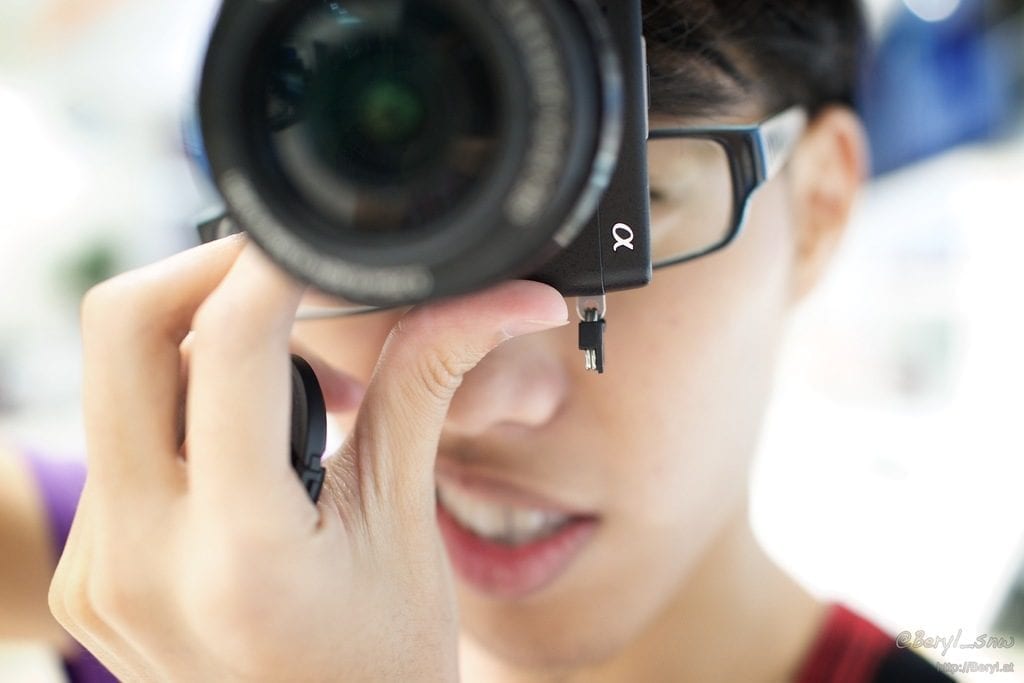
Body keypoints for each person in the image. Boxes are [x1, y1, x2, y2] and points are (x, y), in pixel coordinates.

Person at [3, 0, 956, 680]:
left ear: (821, 206)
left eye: (627, 212)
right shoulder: (173, 583)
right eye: (390, 204)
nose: (482, 394)